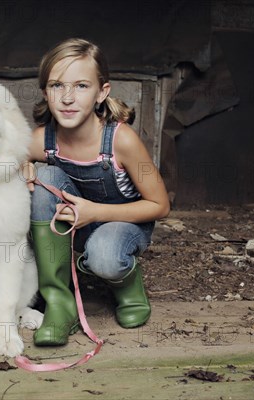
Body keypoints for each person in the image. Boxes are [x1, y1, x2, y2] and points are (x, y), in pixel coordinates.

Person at [24, 38, 170, 346]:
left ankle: (128, 286)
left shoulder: (122, 141)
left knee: (104, 255)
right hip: (75, 225)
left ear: (102, 92)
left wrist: (94, 212)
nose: (66, 97)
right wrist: (20, 164)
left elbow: (160, 204)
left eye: (80, 86)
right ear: (44, 92)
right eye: (56, 86)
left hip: (124, 224)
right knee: (44, 175)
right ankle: (60, 305)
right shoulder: (39, 140)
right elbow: (4, 155)